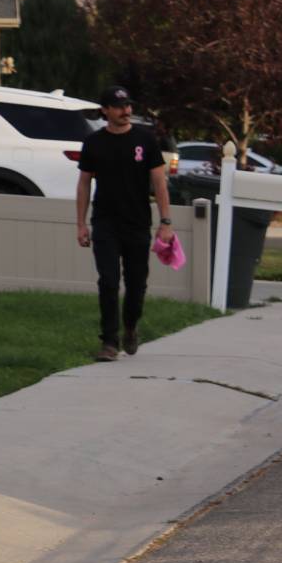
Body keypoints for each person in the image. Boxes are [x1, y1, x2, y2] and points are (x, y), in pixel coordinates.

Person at [74, 86, 174, 360]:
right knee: (108, 280)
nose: (126, 111)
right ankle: (109, 341)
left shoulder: (145, 140)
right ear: (105, 110)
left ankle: (130, 325)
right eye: (119, 107)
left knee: (136, 283)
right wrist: (81, 224)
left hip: (137, 223)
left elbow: (159, 183)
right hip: (105, 222)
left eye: (128, 106)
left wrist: (166, 222)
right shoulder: (94, 142)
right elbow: (84, 184)